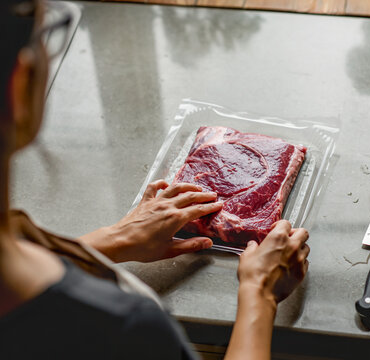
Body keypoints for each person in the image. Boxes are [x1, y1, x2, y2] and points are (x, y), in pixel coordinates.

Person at [0, 1, 310, 359]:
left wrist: (108, 242)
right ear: (17, 88)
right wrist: (261, 293)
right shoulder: (120, 329)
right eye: (48, 32)